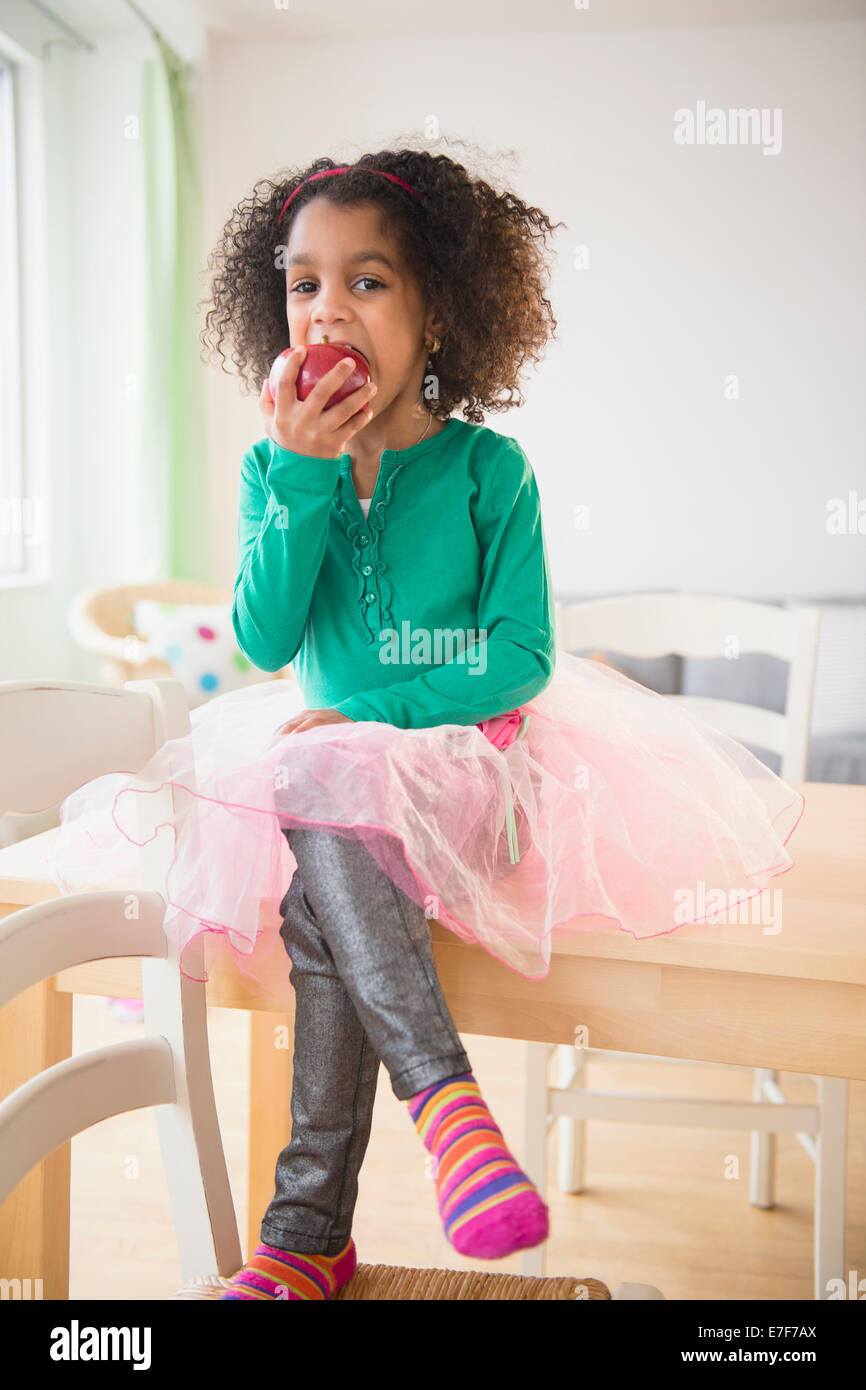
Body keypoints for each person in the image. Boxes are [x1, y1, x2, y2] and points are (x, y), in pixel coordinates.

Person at [49, 147, 804, 1301]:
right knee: (319, 888)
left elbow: (520, 659)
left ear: (436, 310)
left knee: (325, 814)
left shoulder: (487, 469)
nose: (326, 309)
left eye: (367, 281)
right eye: (303, 284)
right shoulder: (274, 465)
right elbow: (262, 634)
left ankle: (319, 1220)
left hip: (470, 776)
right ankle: (405, 1150)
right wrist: (299, 474)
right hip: (324, 793)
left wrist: (377, 712)